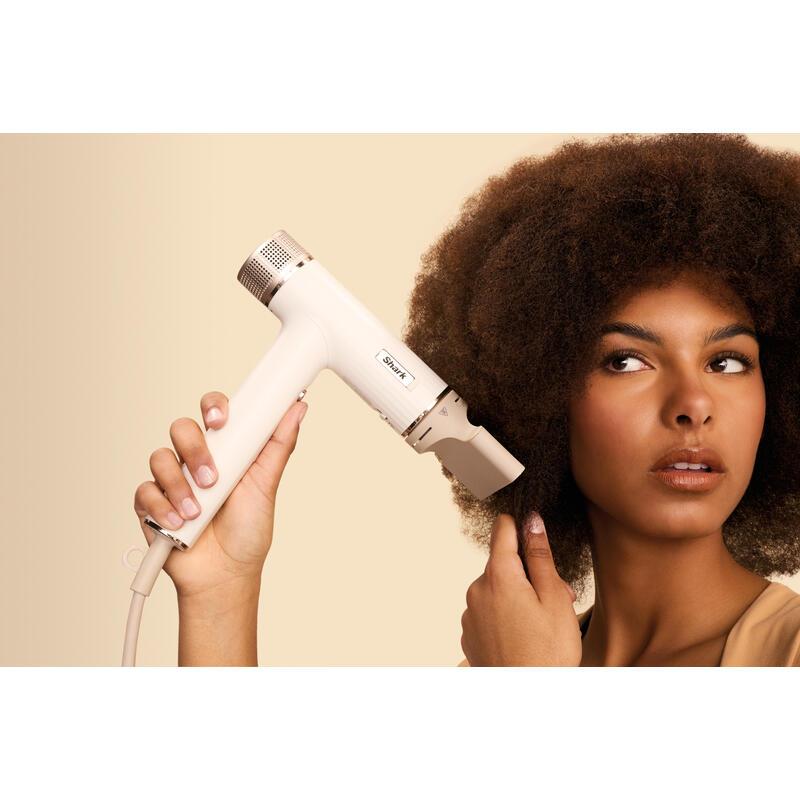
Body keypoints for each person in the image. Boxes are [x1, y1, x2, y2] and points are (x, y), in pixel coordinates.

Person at [133, 133, 800, 665]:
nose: (693, 404)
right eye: (626, 360)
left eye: (728, 362)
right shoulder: (513, 658)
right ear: (542, 396)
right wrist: (222, 590)